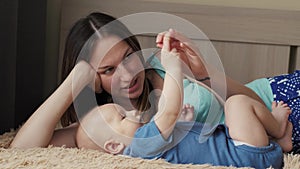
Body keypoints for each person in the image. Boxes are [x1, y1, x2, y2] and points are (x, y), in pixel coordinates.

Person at [9, 11, 299, 154]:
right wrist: (75, 80)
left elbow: (254, 101)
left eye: (128, 56)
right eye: (109, 70)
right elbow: (20, 152)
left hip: (274, 98)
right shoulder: (103, 126)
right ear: (94, 81)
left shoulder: (165, 64)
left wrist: (204, 73)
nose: (127, 74)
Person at [74, 35, 292, 169]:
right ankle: (277, 126)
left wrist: (183, 121)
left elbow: (176, 133)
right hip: (243, 154)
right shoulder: (141, 143)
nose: (131, 113)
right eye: (122, 117)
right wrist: (173, 67)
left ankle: (275, 144)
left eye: (129, 56)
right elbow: (168, 113)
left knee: (235, 108)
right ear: (114, 146)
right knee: (236, 104)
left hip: (240, 146)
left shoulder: (146, 142)